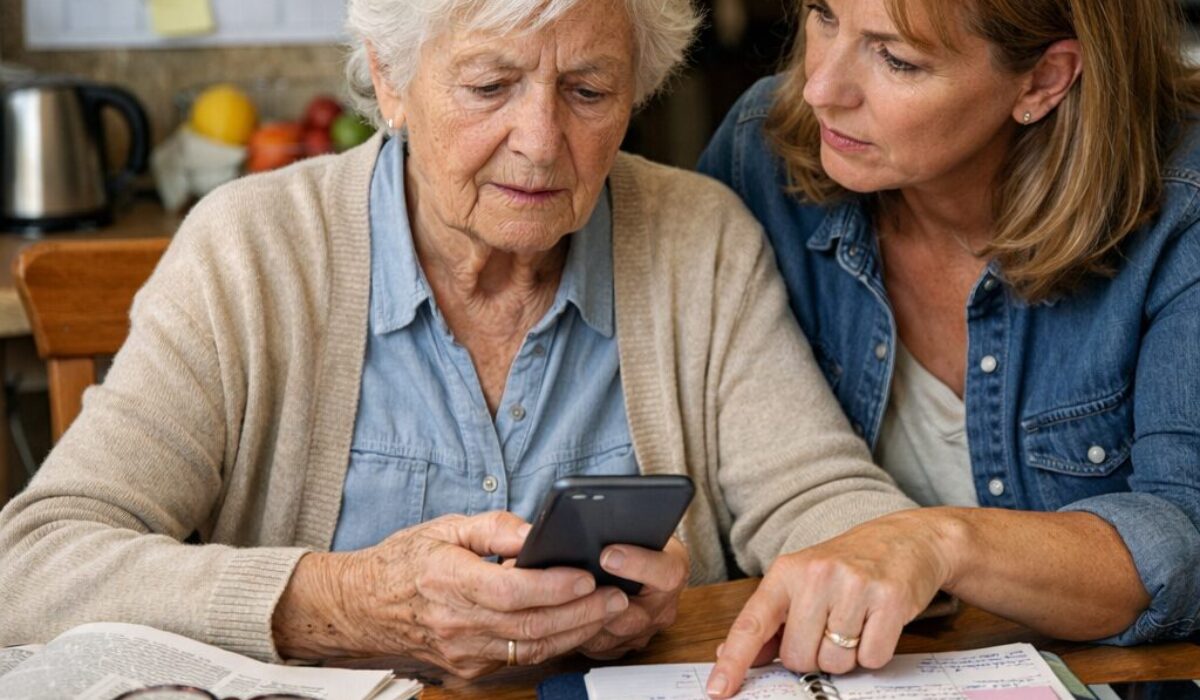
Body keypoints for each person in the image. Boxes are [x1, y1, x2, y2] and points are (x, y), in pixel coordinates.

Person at [0, 0, 918, 680]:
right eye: (489, 85)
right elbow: (34, 568)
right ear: (389, 82)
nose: (540, 140)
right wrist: (345, 606)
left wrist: (724, 596)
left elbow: (831, 509)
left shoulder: (698, 240)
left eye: (589, 90)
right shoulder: (251, 248)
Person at [698, 0, 1200, 696]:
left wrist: (936, 543)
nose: (821, 89)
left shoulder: (1184, 207)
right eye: (823, 16)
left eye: (897, 59)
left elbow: (1187, 540)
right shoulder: (761, 153)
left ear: (1043, 82)